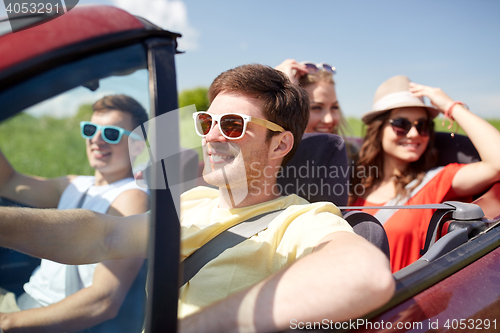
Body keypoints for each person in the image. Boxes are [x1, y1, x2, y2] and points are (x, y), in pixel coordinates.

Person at [0, 65, 395, 333]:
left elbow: (366, 276)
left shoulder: (301, 220)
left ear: (280, 144)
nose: (211, 136)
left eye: (233, 124)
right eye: (206, 121)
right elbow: (104, 235)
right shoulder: (193, 203)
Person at [0, 95, 150, 332]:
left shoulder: (132, 197)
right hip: (24, 302)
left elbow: (104, 300)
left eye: (111, 133)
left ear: (138, 145)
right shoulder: (75, 184)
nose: (96, 140)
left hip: (47, 322)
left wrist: (7, 322)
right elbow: (8, 181)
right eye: (90, 130)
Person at [349, 75, 500, 272]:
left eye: (423, 126)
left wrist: (451, 106)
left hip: (401, 299)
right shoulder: (352, 179)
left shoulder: (437, 181)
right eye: (401, 125)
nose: (414, 134)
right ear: (378, 129)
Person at [275, 59, 359, 161]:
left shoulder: (351, 156)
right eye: (316, 108)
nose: (329, 119)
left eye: (334, 107)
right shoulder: (271, 160)